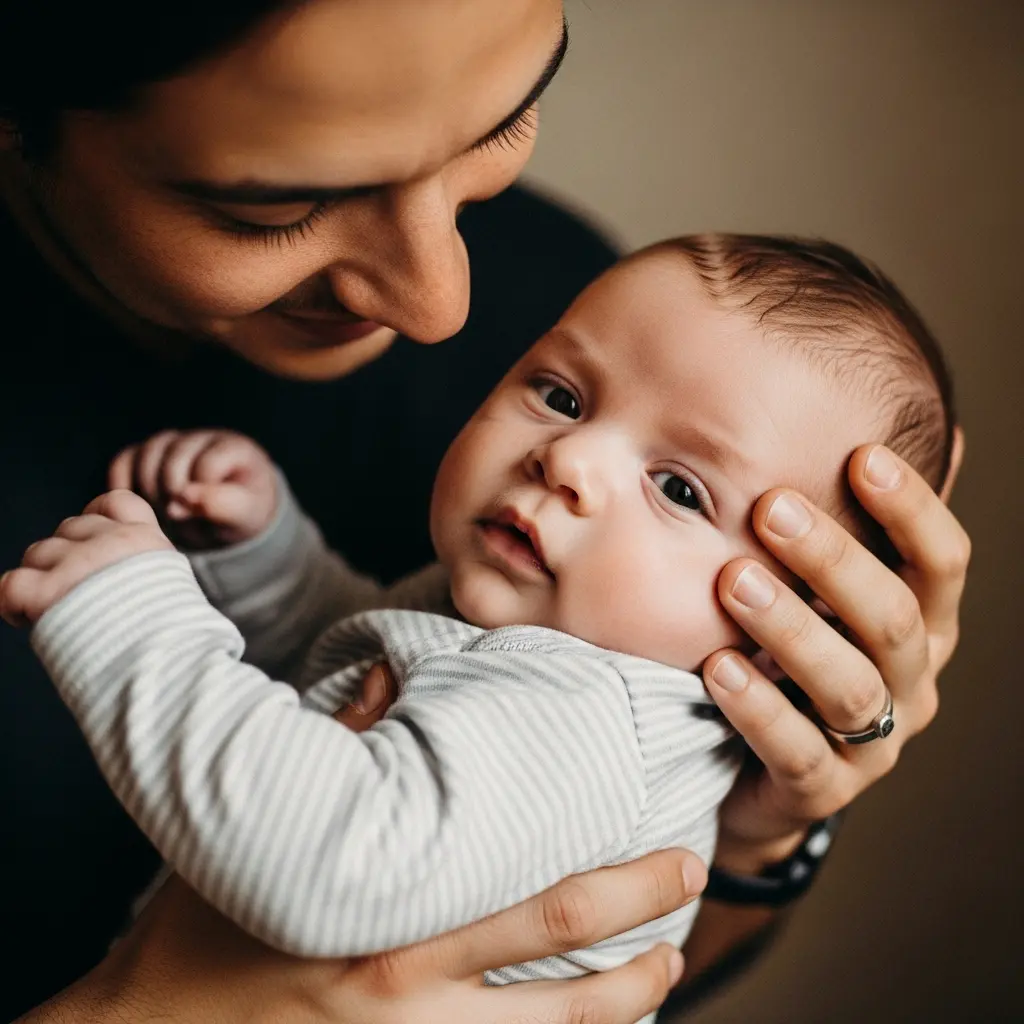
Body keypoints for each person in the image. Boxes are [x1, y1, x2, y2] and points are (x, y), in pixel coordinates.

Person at [0, 0, 969, 1021]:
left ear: (787, 625)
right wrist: (269, 557)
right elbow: (357, 652)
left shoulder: (579, 698)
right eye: (276, 209)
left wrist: (763, 826)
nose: (441, 306)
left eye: (500, 124)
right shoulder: (560, 607)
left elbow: (332, 843)